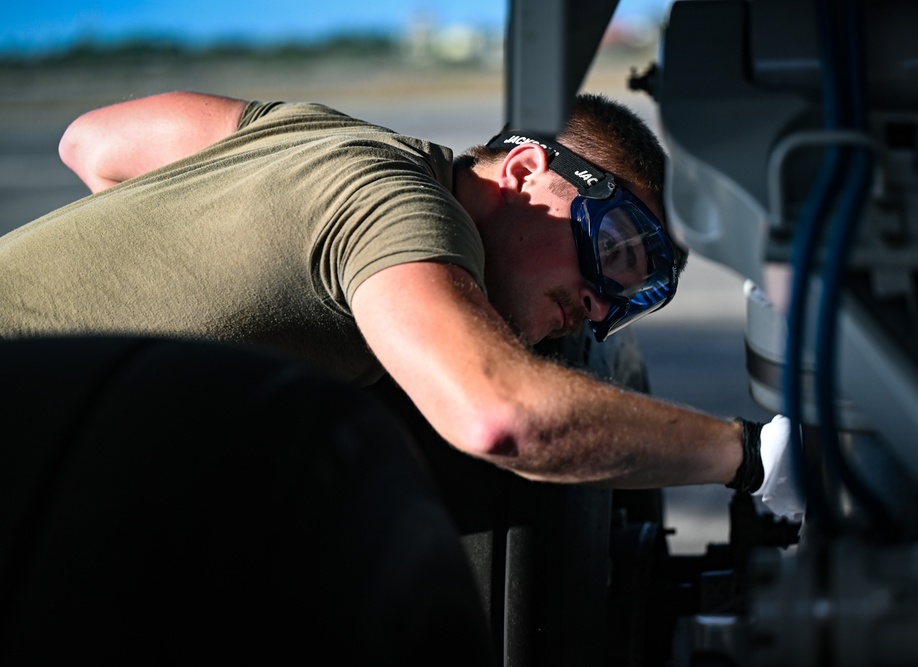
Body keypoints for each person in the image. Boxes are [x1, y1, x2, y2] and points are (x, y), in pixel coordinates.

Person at [0, 91, 801, 517]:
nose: (597, 308)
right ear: (524, 170)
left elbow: (93, 142)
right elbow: (501, 417)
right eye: (614, 252)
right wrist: (752, 456)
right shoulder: (404, 209)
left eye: (632, 297)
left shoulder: (312, 136)